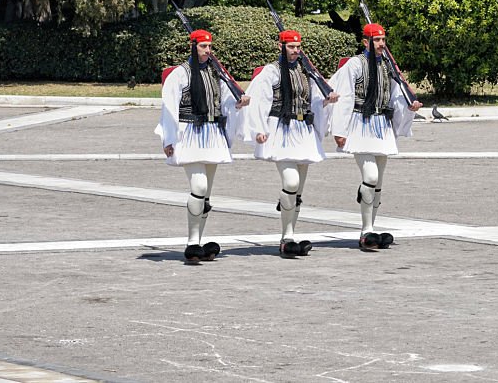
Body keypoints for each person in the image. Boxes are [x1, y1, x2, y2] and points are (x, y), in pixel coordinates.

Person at [156, 29, 249, 264]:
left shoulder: (216, 74)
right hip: (189, 134)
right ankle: (191, 242)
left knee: (206, 194)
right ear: (193, 46)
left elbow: (226, 103)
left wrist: (239, 104)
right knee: (199, 186)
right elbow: (169, 107)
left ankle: (198, 240)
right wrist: (168, 138)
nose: (207, 50)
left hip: (212, 134)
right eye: (203, 46)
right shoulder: (181, 74)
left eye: (209, 46)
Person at [244, 29, 339, 257]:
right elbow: (259, 99)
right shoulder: (272, 71)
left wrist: (326, 102)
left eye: (298, 47)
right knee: (291, 181)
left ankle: (289, 236)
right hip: (281, 130)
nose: (295, 51)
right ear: (281, 47)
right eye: (291, 47)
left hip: (303, 131)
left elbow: (313, 102)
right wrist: (259, 129)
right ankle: (286, 236)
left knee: (298, 190)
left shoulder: (307, 72)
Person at [329, 23, 422, 251]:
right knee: (370, 176)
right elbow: (345, 96)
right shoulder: (355, 64)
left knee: (378, 181)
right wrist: (339, 131)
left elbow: (395, 96)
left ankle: (371, 226)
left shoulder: (387, 66)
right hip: (361, 124)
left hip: (382, 126)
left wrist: (409, 106)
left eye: (383, 40)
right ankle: (365, 231)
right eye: (377, 40)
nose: (381, 44)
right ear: (365, 42)